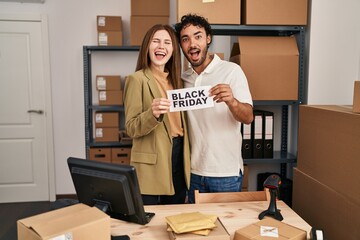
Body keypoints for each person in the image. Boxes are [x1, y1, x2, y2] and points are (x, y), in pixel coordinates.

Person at [174, 14, 254, 203]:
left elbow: (248, 117)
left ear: (208, 38)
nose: (192, 43)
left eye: (198, 36)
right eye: (185, 39)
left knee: (225, 229)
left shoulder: (231, 71)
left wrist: (232, 101)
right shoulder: (183, 79)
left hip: (225, 173)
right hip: (192, 172)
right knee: (196, 228)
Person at [123, 24, 190, 205]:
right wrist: (152, 114)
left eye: (167, 42)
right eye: (156, 41)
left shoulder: (178, 82)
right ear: (147, 46)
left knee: (174, 216)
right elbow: (131, 128)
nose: (162, 46)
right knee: (150, 222)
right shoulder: (136, 80)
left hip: (178, 157)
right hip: (151, 163)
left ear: (173, 50)